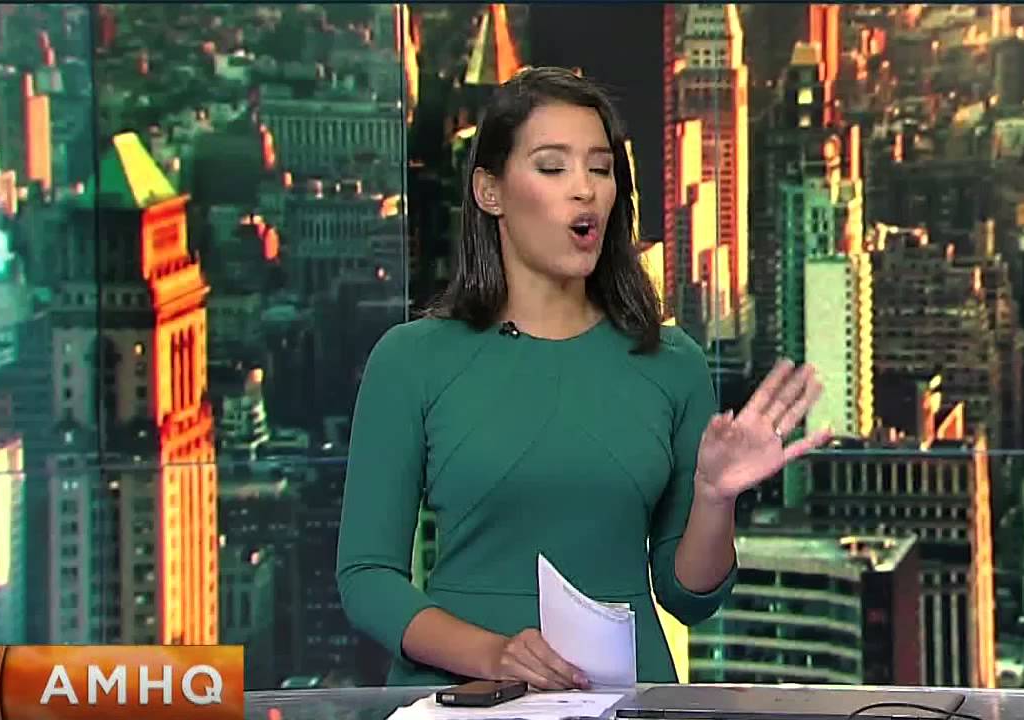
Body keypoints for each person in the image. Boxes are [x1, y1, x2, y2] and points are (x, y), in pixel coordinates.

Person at [336, 66, 832, 688]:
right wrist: (494, 656)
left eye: (600, 169)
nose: (585, 190)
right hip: (461, 697)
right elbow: (367, 578)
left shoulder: (670, 362)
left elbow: (688, 597)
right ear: (490, 191)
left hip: (623, 698)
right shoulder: (411, 360)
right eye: (553, 167)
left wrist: (714, 498)